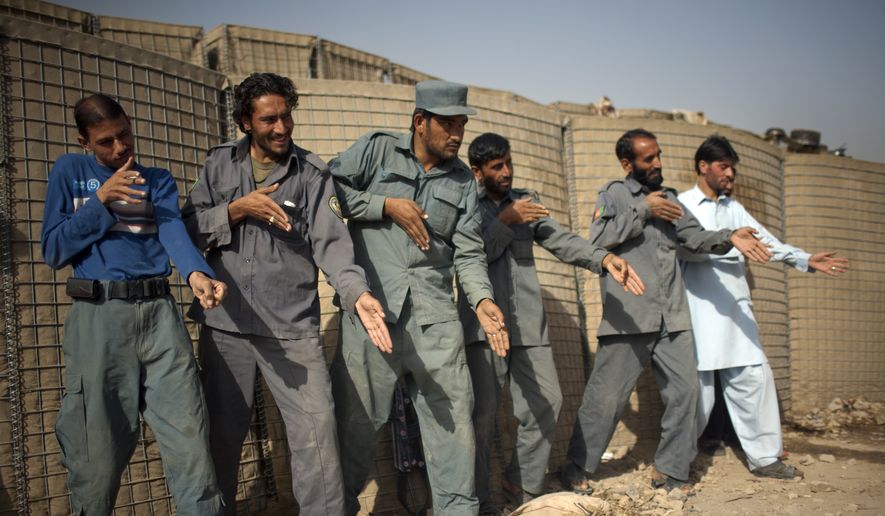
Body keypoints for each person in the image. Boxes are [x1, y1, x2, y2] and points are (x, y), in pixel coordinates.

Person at [182, 73, 391, 515]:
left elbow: (332, 245)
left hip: (291, 330)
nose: (281, 128)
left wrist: (357, 295)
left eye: (287, 117)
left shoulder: (312, 174)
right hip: (227, 325)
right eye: (269, 119)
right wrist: (237, 209)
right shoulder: (219, 165)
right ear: (245, 121)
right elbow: (186, 229)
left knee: (317, 438)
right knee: (221, 437)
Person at [329, 80, 509, 515]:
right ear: (419, 121)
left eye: (461, 124)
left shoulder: (464, 180)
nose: (457, 134)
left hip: (435, 321)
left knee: (454, 432)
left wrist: (482, 301)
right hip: (373, 316)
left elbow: (468, 252)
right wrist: (384, 205)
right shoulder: (377, 151)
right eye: (447, 124)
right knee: (354, 428)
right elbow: (327, 192)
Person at [41, 94, 227, 515]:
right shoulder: (69, 172)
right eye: (105, 141)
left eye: (124, 134)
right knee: (97, 458)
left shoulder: (156, 178)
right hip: (99, 320)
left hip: (160, 318)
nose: (120, 147)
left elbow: (171, 230)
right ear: (84, 142)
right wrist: (101, 200)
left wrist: (197, 274)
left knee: (191, 448)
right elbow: (53, 250)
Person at [561, 128, 773, 495]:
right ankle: (577, 466)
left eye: (658, 155)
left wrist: (729, 236)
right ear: (628, 163)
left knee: (686, 394)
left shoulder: (671, 198)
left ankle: (671, 471)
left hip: (673, 317)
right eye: (648, 159)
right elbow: (596, 241)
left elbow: (694, 237)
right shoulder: (613, 194)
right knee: (606, 398)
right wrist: (644, 210)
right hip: (628, 317)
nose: (658, 164)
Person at [461, 132, 645, 513]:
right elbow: (470, 255)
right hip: (484, 329)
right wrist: (504, 221)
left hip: (528, 328)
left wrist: (603, 259)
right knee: (481, 418)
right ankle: (475, 502)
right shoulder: (465, 205)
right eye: (497, 167)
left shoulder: (526, 203)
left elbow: (560, 239)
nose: (507, 172)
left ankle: (523, 485)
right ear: (477, 171)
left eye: (509, 163)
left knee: (548, 401)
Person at [679, 135, 848, 479]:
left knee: (754, 379)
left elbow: (768, 243)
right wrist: (729, 242)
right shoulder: (681, 204)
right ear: (703, 166)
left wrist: (804, 259)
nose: (730, 175)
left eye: (733, 169)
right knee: (697, 394)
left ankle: (766, 459)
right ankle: (675, 464)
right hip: (699, 312)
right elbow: (682, 248)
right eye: (724, 167)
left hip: (737, 312)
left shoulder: (734, 208)